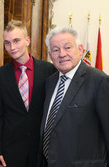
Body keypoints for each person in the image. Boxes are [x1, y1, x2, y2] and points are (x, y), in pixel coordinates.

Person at [38, 27, 109, 167]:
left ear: (81, 49)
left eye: (68, 47)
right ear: (50, 55)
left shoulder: (99, 81)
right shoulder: (50, 82)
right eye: (56, 50)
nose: (62, 54)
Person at [0, 20, 56, 167]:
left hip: (42, 150)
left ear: (27, 40)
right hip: (10, 151)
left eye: (16, 41)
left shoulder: (49, 71)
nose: (12, 47)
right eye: (7, 43)